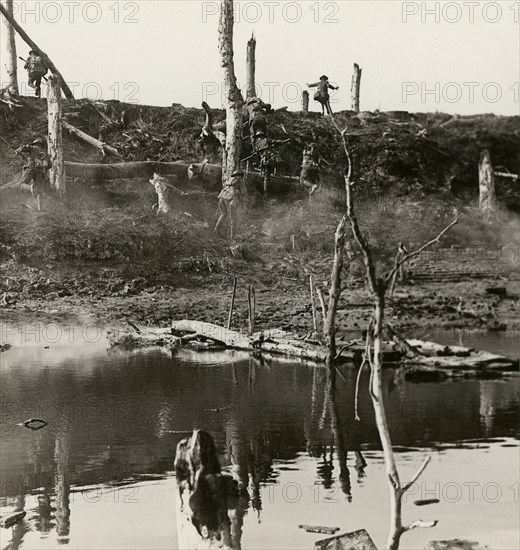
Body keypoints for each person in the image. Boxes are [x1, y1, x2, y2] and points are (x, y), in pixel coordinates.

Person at [15, 138, 50, 204]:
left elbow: (24, 147)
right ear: (41, 145)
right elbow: (50, 165)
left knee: (22, 184)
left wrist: (18, 150)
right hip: (40, 172)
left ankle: (31, 189)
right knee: (39, 190)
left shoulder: (32, 147)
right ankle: (39, 207)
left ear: (35, 143)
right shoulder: (45, 153)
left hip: (30, 169)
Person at [214, 170, 243, 237]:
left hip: (222, 196)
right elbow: (244, 192)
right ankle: (233, 237)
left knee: (223, 214)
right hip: (231, 198)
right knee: (233, 218)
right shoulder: (240, 180)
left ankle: (216, 229)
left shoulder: (229, 180)